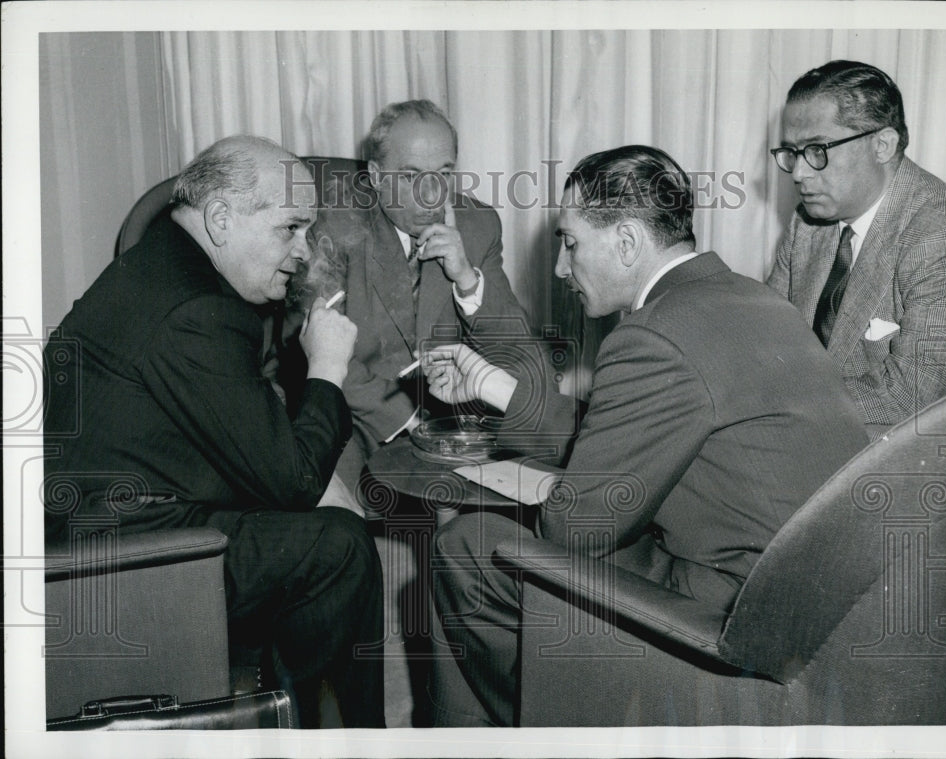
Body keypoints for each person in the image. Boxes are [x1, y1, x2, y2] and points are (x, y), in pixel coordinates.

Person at [421, 145, 869, 727]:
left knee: (468, 545)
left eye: (571, 243)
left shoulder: (652, 336)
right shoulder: (748, 298)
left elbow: (575, 527)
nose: (560, 267)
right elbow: (637, 429)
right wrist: (501, 390)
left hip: (739, 613)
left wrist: (554, 494)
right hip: (816, 599)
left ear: (628, 243)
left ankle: (552, 733)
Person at [43, 135, 384, 728]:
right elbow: (296, 480)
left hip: (115, 522)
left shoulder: (161, 267)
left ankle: (290, 714)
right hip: (137, 564)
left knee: (327, 526)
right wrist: (328, 367)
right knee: (340, 550)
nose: (304, 251)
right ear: (222, 218)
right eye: (290, 228)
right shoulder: (196, 307)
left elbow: (242, 423)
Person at [304, 99, 532, 488]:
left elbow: (515, 349)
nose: (431, 195)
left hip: (453, 416)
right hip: (357, 413)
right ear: (376, 176)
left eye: (443, 173)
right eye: (410, 176)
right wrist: (410, 423)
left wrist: (467, 280)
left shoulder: (477, 224)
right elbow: (321, 350)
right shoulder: (332, 224)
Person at [767, 60, 946, 431]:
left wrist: (768, 406)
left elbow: (908, 397)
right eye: (792, 153)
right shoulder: (807, 222)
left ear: (882, 145)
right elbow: (765, 339)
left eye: (817, 150)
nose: (798, 173)